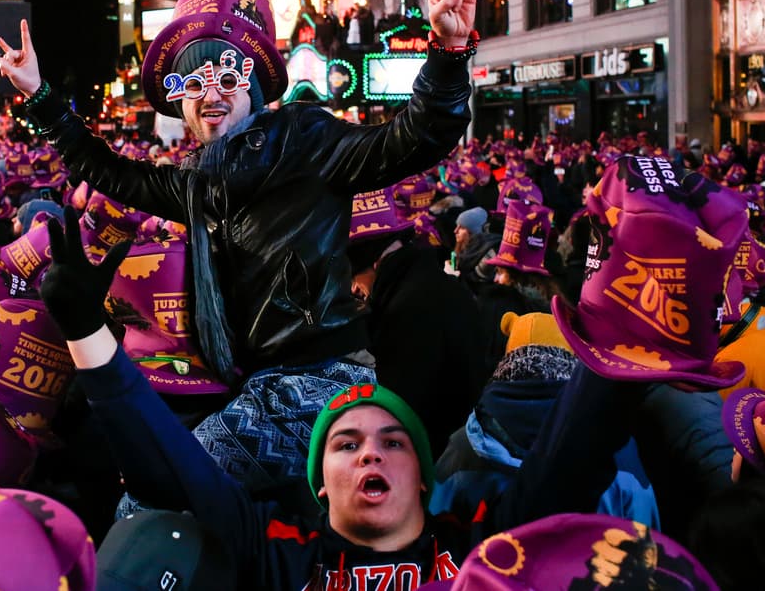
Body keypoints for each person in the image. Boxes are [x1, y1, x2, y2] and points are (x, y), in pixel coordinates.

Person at [0, 0, 492, 500]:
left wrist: (448, 52)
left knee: (155, 497)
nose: (210, 94)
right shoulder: (194, 182)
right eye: (193, 83)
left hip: (319, 382)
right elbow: (105, 169)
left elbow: (415, 137)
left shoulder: (307, 140)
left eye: (226, 75)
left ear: (252, 84)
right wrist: (40, 97)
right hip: (257, 382)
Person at [36, 207, 645, 585]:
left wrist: (630, 326)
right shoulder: (280, 555)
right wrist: (88, 335)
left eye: (393, 441)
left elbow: (571, 459)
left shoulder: (484, 543)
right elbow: (173, 469)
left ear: (428, 475)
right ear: (319, 483)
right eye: (345, 443)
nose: (368, 455)